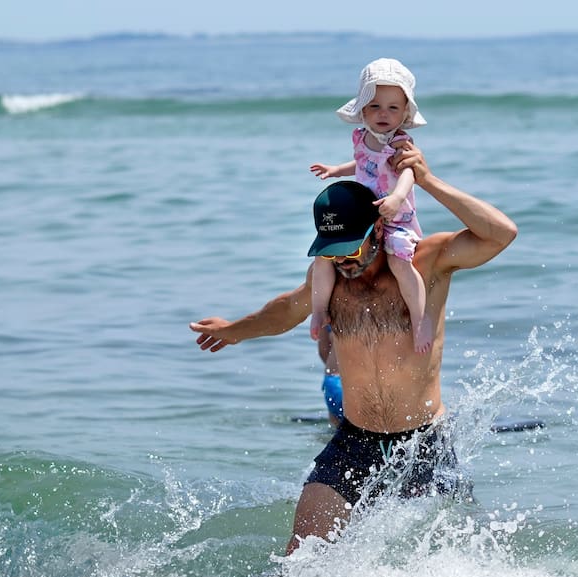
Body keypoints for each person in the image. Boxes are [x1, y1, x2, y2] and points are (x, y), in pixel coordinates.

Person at [190, 140, 517, 556]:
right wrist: (235, 330)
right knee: (302, 555)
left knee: (454, 558)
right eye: (332, 252)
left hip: (424, 442)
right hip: (355, 440)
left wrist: (428, 180)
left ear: (378, 228)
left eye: (351, 248)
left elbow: (501, 233)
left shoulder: (425, 261)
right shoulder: (330, 276)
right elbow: (284, 311)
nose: (343, 261)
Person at [309, 58, 433, 354]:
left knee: (399, 261)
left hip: (394, 215)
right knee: (325, 258)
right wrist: (337, 170)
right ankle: (318, 309)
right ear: (363, 109)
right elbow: (363, 164)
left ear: (404, 113)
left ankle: (419, 319)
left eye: (393, 108)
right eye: (375, 106)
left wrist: (397, 197)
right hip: (362, 214)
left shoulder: (401, 143)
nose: (383, 114)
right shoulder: (363, 138)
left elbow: (407, 173)